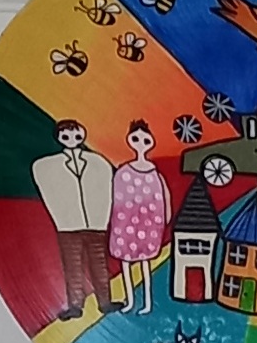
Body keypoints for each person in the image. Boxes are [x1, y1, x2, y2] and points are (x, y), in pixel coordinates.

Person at [31, 120, 116, 322]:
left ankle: (105, 301)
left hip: (95, 223)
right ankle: (75, 305)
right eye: (66, 136)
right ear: (59, 138)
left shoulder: (97, 163)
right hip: (68, 225)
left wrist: (102, 217)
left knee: (99, 263)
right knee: (73, 266)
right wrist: (61, 215)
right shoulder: (49, 165)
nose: (71, 139)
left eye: (76, 135)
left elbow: (105, 189)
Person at [105, 120, 173, 313]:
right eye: (136, 139)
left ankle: (147, 303)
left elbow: (165, 195)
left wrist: (166, 216)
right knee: (126, 263)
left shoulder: (154, 173)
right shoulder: (123, 172)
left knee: (145, 263)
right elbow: (114, 199)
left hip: (149, 226)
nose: (141, 144)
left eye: (145, 140)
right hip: (125, 226)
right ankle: (130, 301)